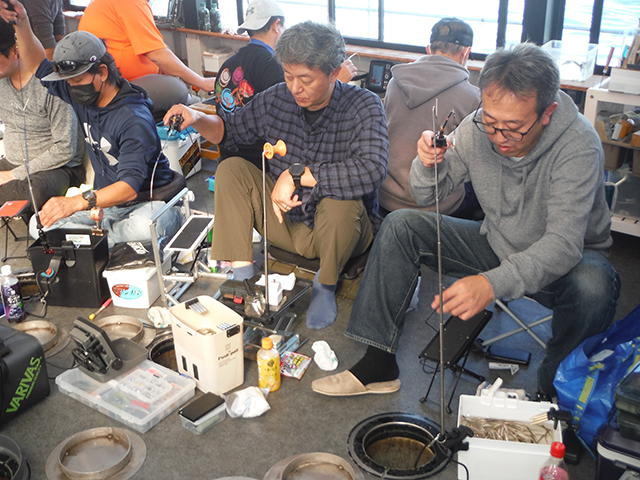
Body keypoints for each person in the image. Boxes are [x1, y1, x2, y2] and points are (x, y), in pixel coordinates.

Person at [312, 42, 620, 398]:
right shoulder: (477, 130)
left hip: (569, 264)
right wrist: (428, 164)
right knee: (401, 226)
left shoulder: (578, 145)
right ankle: (378, 362)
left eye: (513, 128)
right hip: (497, 242)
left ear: (547, 112)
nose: (499, 137)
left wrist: (489, 284)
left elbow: (563, 244)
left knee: (595, 286)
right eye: (490, 122)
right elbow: (428, 196)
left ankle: (556, 398)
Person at [165, 21, 388, 330]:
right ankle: (242, 280)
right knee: (231, 169)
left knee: (342, 199)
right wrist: (200, 118)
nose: (295, 87)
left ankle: (326, 285)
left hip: (336, 232)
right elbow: (230, 132)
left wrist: (297, 175)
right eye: (288, 75)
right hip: (284, 221)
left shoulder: (364, 105)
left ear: (334, 72)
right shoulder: (277, 98)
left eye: (306, 79)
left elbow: (371, 170)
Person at [1, 1, 184, 249]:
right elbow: (36, 65)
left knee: (143, 226)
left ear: (102, 71)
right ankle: (102, 241)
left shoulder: (132, 117)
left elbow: (129, 188)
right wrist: (21, 22)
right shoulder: (81, 92)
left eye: (77, 80)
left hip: (148, 202)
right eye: (69, 81)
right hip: (104, 206)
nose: (71, 87)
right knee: (38, 224)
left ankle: (94, 242)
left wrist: (77, 202)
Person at [214, 0, 356, 169]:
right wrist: (336, 82)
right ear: (276, 25)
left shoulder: (228, 64)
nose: (295, 86)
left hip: (227, 156)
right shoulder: (271, 66)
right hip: (262, 164)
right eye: (290, 77)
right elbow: (296, 111)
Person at [379, 17, 481, 219]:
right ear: (466, 52)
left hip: (385, 197)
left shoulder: (394, 82)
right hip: (436, 207)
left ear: (429, 49)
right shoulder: (474, 97)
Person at [0, 18, 85, 212]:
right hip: (11, 165)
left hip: (57, 170)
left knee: (33, 191)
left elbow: (66, 149)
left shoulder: (51, 85)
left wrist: (13, 174)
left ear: (15, 50)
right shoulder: (2, 81)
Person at [78, 0, 214, 99]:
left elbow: (158, 48)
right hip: (115, 85)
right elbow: (158, 55)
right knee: (175, 89)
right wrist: (202, 82)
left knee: (168, 53)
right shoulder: (130, 3)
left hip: (108, 81)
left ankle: (191, 102)